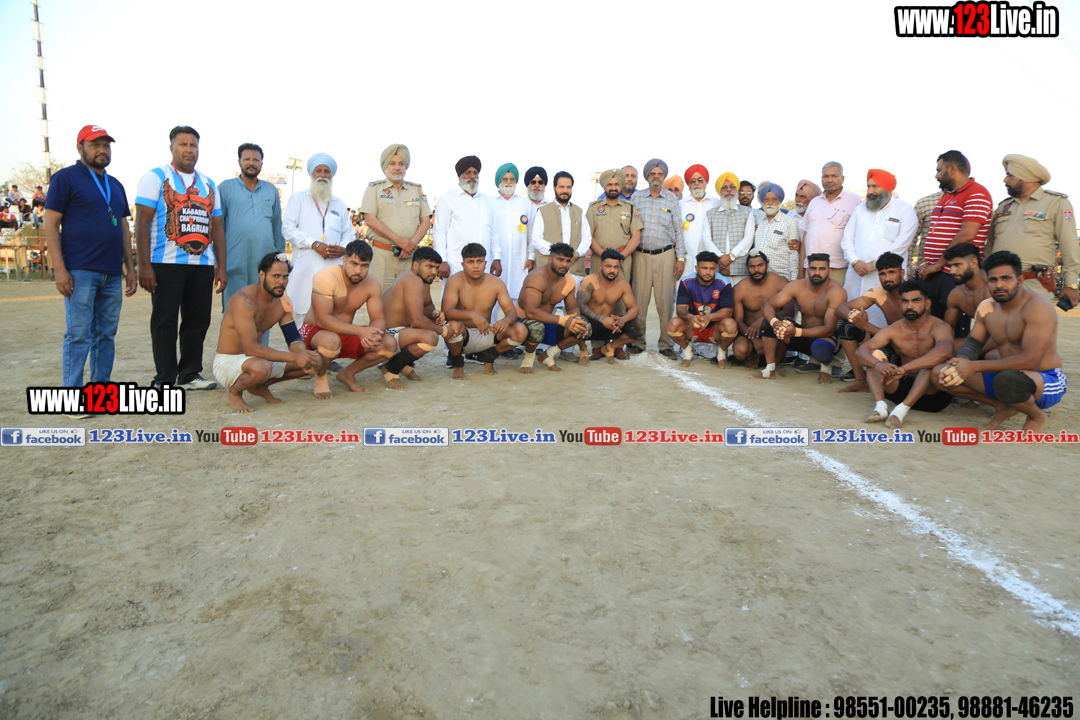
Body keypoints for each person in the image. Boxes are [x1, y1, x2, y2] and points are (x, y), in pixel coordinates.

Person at [44, 124, 137, 396]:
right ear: (80, 147)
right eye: (95, 144)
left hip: (112, 273)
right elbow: (51, 225)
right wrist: (60, 270)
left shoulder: (115, 184)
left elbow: (123, 228)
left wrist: (130, 269)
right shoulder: (65, 178)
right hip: (80, 270)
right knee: (79, 334)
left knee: (105, 334)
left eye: (106, 145)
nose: (102, 150)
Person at [135, 125, 226, 390]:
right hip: (165, 264)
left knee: (197, 321)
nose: (189, 150)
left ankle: (189, 374)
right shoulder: (155, 177)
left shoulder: (208, 183)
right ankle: (164, 378)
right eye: (183, 144)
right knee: (164, 321)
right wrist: (144, 266)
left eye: (193, 145)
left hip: (201, 264)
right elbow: (142, 223)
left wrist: (221, 267)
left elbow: (217, 228)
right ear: (172, 148)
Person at [932, 251, 1066, 431]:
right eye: (993, 280)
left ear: (1019, 281)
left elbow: (1030, 361)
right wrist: (962, 360)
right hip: (1007, 377)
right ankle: (1002, 406)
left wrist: (974, 366)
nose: (999, 285)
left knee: (1008, 380)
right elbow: (973, 344)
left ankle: (1036, 416)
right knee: (939, 374)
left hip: (1045, 380)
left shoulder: (1038, 307)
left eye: (1006, 278)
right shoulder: (987, 307)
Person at [214, 253, 320, 412]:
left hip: (256, 360)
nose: (281, 281)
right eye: (275, 276)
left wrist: (303, 354)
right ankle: (234, 393)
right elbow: (250, 348)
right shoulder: (244, 300)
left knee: (315, 361)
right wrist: (294, 357)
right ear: (262, 275)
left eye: (285, 277)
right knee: (262, 368)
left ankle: (260, 385)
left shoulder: (283, 301)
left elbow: (292, 338)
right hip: (228, 362)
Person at [300, 241, 397, 398]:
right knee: (331, 340)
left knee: (388, 344)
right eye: (354, 264)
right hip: (314, 333)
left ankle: (347, 373)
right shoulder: (326, 276)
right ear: (344, 261)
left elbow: (378, 318)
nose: (358, 270)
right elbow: (322, 319)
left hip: (342, 333)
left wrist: (374, 334)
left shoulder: (372, 284)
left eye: (364, 266)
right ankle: (321, 375)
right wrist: (360, 331)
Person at [983, 154, 1079, 308]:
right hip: (998, 286)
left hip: (1034, 285)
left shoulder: (1056, 203)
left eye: (1010, 176)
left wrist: (1071, 284)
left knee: (1034, 323)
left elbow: (1070, 246)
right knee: (996, 323)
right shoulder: (1003, 207)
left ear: (1026, 177)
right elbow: (990, 245)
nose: (1005, 180)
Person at [856, 280, 954, 428]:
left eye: (916, 301)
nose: (909, 306)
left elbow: (944, 351)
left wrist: (904, 368)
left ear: (927, 304)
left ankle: (900, 412)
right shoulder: (895, 328)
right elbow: (861, 351)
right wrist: (878, 364)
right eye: (905, 301)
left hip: (933, 395)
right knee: (873, 355)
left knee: (932, 361)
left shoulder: (939, 326)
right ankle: (881, 407)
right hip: (899, 389)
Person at [917, 150, 992, 317]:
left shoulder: (977, 192)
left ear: (952, 169)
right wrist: (924, 262)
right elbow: (933, 232)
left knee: (953, 325)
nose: (936, 175)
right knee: (931, 324)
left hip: (954, 273)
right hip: (933, 272)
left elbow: (967, 235)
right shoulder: (948, 195)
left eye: (939, 170)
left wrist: (939, 264)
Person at [218, 143, 285, 329]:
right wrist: (218, 262)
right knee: (234, 309)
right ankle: (233, 349)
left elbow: (276, 226)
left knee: (263, 309)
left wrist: (279, 258)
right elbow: (217, 227)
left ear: (261, 163)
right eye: (247, 159)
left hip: (264, 261)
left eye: (256, 160)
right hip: (234, 261)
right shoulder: (225, 188)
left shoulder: (270, 190)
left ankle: (259, 347)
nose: (251, 163)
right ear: (239, 161)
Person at [841, 169, 917, 327]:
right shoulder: (860, 209)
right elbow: (847, 238)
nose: (870, 191)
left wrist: (876, 264)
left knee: (883, 319)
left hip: (885, 275)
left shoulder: (904, 209)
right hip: (856, 273)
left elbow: (903, 242)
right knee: (854, 318)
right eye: (868, 186)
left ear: (887, 188)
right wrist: (855, 261)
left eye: (875, 186)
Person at [756, 253, 847, 382]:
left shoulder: (837, 291)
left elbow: (829, 329)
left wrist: (796, 332)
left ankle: (826, 369)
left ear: (829, 271)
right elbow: (768, 305)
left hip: (826, 338)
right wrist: (775, 323)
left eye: (822, 269)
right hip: (802, 335)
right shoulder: (797, 286)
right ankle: (770, 369)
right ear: (807, 270)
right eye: (813, 268)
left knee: (820, 346)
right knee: (769, 323)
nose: (817, 273)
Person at [443, 243, 527, 378]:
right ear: (463, 264)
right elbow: (447, 312)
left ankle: (489, 356)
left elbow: (512, 312)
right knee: (452, 325)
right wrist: (472, 315)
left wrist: (505, 321)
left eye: (479, 261)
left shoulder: (496, 283)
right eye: (470, 262)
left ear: (485, 263)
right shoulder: (455, 281)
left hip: (487, 333)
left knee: (520, 330)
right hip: (463, 335)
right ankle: (458, 365)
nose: (476, 266)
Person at [629, 158, 685, 358]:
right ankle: (637, 342)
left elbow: (678, 230)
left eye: (660, 174)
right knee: (639, 301)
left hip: (666, 255)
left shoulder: (671, 199)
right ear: (647, 176)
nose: (656, 177)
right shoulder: (636, 198)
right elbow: (629, 227)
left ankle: (665, 344)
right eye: (652, 174)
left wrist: (680, 258)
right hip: (641, 255)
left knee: (665, 302)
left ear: (664, 176)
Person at [282, 153, 351, 318]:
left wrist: (343, 248)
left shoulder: (339, 204)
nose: (322, 175)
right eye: (318, 171)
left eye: (326, 171)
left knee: (332, 317)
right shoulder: (298, 198)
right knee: (303, 316)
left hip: (333, 270)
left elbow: (349, 234)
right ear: (312, 174)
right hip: (305, 270)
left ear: (332, 175)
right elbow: (288, 229)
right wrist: (314, 244)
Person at [380, 246, 459, 389]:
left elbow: (427, 306)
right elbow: (416, 320)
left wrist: (436, 314)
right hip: (386, 336)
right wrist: (443, 331)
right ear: (416, 265)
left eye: (436, 268)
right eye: (429, 266)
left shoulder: (423, 279)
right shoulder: (412, 280)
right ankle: (391, 368)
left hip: (398, 332)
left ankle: (404, 365)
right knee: (430, 337)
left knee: (432, 323)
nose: (434, 272)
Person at [360, 144, 432, 290]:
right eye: (392, 163)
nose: (397, 167)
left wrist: (410, 245)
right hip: (382, 256)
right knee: (380, 298)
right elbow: (370, 219)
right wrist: (399, 241)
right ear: (385, 166)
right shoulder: (374, 189)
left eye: (401, 163)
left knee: (408, 298)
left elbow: (426, 220)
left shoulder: (416, 190)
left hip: (409, 256)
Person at [833, 252, 907, 393]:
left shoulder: (912, 296)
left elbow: (903, 338)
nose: (887, 278)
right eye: (882, 274)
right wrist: (852, 315)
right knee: (845, 325)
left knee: (877, 353)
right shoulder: (879, 292)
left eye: (892, 272)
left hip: (907, 349)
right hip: (889, 341)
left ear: (902, 273)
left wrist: (865, 325)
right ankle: (861, 381)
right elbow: (840, 308)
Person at [516, 242, 591, 372]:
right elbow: (531, 312)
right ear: (550, 259)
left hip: (547, 323)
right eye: (560, 260)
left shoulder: (569, 281)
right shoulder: (537, 277)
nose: (564, 264)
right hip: (521, 324)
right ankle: (528, 360)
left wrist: (577, 320)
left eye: (568, 261)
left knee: (584, 327)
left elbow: (572, 308)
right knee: (536, 326)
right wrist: (564, 321)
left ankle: (548, 355)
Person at [666, 251, 736, 367]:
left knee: (731, 325)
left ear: (716, 269)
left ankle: (721, 353)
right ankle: (688, 351)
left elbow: (728, 311)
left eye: (712, 268)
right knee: (673, 324)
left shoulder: (724, 283)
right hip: (694, 326)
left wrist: (709, 317)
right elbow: (680, 309)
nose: (708, 272)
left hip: (715, 328)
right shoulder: (687, 282)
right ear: (697, 268)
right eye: (704, 268)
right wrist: (691, 317)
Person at [576, 249, 644, 363]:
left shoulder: (622, 284)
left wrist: (623, 319)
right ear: (601, 266)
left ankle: (610, 347)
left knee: (639, 326)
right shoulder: (589, 280)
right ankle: (584, 350)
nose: (612, 270)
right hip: (591, 323)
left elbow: (634, 308)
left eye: (616, 267)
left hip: (610, 325)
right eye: (608, 266)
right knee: (577, 322)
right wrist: (602, 319)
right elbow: (580, 305)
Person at [726, 251, 791, 369]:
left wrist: (765, 319)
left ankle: (776, 363)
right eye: (752, 266)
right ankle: (755, 356)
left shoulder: (780, 282)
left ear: (767, 265)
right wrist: (755, 340)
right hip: (751, 333)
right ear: (748, 268)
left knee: (786, 324)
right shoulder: (740, 289)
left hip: (774, 331)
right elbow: (738, 321)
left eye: (760, 265)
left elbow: (789, 311)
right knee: (740, 351)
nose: (756, 270)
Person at [800, 162, 861, 284]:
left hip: (838, 269)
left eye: (834, 176)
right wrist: (801, 268)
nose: (829, 180)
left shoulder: (854, 201)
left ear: (842, 178)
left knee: (837, 296)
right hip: (811, 268)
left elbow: (860, 235)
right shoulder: (814, 202)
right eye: (826, 176)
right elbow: (806, 235)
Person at [487, 162, 533, 306]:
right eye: (505, 179)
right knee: (491, 300)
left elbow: (531, 232)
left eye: (512, 179)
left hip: (519, 261)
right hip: (494, 259)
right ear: (498, 181)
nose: (508, 182)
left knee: (517, 302)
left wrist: (531, 257)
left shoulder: (525, 203)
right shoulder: (488, 202)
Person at [703, 171, 754, 285]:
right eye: (724, 187)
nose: (729, 190)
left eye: (732, 187)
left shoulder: (747, 212)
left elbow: (749, 237)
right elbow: (706, 239)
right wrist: (721, 258)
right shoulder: (710, 214)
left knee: (741, 296)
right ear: (719, 191)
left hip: (740, 269)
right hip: (718, 267)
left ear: (736, 191)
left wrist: (731, 257)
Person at [942, 243, 992, 352]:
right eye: (950, 266)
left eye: (957, 265)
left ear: (973, 263)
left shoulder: (992, 288)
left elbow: (1004, 334)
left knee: (993, 355)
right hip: (979, 343)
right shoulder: (957, 294)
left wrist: (965, 353)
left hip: (1007, 343)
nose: (952, 271)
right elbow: (947, 330)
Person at [750, 183, 800, 281]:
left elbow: (794, 255)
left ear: (779, 201)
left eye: (774, 199)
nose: (770, 203)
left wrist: (793, 281)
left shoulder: (789, 222)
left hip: (781, 279)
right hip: (760, 280)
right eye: (766, 199)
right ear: (762, 201)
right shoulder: (759, 223)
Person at [679, 164, 720, 282]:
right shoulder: (680, 205)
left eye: (700, 180)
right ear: (688, 184)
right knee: (685, 287)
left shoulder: (716, 203)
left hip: (711, 258)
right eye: (693, 181)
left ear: (706, 182)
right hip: (687, 258)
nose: (696, 184)